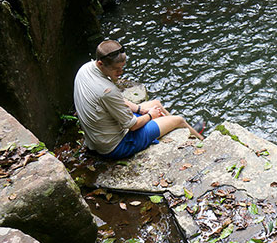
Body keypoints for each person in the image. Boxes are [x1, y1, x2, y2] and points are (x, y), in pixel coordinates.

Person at [73, 39, 204, 159]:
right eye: (116, 69)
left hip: (97, 137)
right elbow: (132, 126)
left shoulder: (85, 69)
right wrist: (150, 116)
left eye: (122, 67)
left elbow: (115, 101)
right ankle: (202, 142)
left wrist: (140, 109)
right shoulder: (107, 91)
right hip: (116, 146)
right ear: (101, 64)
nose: (120, 72)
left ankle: (189, 133)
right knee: (179, 120)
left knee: (156, 103)